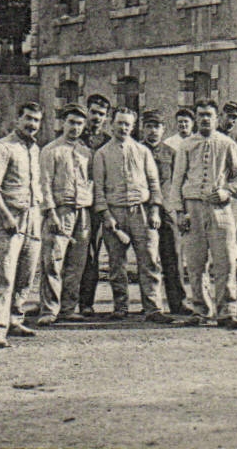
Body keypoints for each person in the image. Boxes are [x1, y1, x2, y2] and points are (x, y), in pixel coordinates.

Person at [169, 100, 237, 329]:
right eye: (201, 115)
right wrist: (178, 212)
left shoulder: (227, 144)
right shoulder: (186, 145)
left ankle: (227, 312)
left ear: (217, 118)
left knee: (224, 261)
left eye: (209, 115)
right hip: (192, 208)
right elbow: (176, 182)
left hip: (220, 210)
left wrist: (227, 191)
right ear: (196, 118)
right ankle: (201, 311)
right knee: (195, 264)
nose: (205, 119)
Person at [91, 106, 170, 322]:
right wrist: (106, 216)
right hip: (115, 213)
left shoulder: (143, 151)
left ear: (133, 127)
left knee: (150, 260)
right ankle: (120, 307)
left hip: (141, 212)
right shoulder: (102, 154)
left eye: (127, 124)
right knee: (116, 264)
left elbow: (154, 184)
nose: (123, 128)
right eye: (119, 123)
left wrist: (154, 210)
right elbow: (98, 189)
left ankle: (153, 308)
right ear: (111, 124)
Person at [0, 101, 46, 348]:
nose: (32, 124)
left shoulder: (34, 149)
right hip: (8, 218)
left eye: (36, 120)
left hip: (32, 216)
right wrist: (7, 217)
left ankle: (15, 318)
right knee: (4, 275)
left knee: (26, 274)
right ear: (17, 119)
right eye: (28, 118)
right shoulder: (3, 147)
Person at [37, 104, 95, 325]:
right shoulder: (50, 150)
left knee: (76, 263)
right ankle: (49, 309)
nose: (75, 127)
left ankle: (68, 308)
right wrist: (50, 212)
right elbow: (44, 183)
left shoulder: (85, 152)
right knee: (53, 260)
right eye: (71, 122)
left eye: (80, 123)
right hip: (60, 210)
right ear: (62, 123)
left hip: (82, 211)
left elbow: (90, 181)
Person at [144, 110, 192, 315]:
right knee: (146, 259)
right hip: (142, 210)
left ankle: (177, 302)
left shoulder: (171, 153)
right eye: (149, 126)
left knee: (172, 256)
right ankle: (149, 305)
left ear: (164, 130)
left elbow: (179, 183)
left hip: (167, 211)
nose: (153, 131)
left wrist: (181, 211)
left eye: (157, 127)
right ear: (142, 128)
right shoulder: (137, 151)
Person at [76, 91, 115, 318]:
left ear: (106, 117)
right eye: (93, 112)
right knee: (69, 252)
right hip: (76, 203)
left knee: (92, 253)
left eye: (101, 114)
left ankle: (86, 302)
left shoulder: (109, 143)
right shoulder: (75, 138)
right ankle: (62, 300)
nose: (96, 118)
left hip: (98, 205)